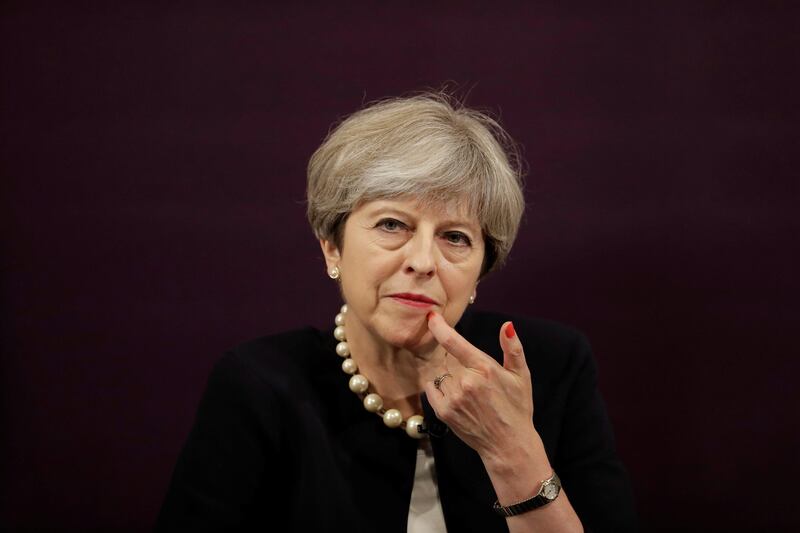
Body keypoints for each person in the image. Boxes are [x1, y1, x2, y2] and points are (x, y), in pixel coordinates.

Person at [156, 93, 637, 532]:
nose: (424, 262)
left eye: (455, 237)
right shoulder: (258, 385)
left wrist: (512, 451)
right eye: (392, 224)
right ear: (332, 248)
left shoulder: (552, 367)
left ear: (479, 273)